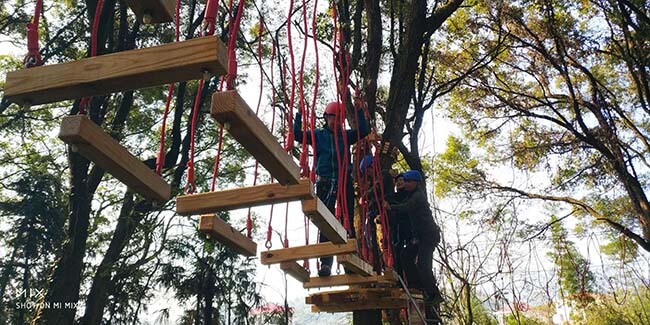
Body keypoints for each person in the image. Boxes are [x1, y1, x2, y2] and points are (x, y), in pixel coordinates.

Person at [294, 101, 369, 276]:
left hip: (344, 182)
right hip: (326, 182)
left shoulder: (345, 136)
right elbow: (298, 135)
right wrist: (299, 115)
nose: (337, 122)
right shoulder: (318, 135)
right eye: (334, 118)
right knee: (325, 222)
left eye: (340, 119)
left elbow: (363, 131)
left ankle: (348, 261)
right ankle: (325, 263)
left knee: (348, 221)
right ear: (327, 117)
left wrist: (358, 110)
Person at [383, 170, 443, 321]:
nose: (406, 184)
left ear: (416, 183)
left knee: (423, 264)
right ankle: (416, 284)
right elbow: (398, 199)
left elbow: (407, 207)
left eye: (409, 182)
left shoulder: (418, 196)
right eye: (406, 181)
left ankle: (434, 294)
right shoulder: (410, 194)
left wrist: (391, 207)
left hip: (428, 236)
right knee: (406, 255)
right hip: (419, 236)